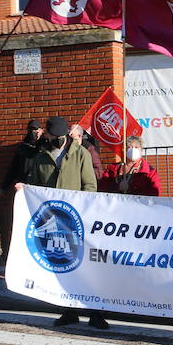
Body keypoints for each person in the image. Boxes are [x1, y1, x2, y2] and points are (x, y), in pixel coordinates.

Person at [23, 116, 103, 328]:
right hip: (53, 219)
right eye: (52, 136)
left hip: (76, 219)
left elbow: (90, 186)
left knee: (85, 267)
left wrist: (83, 212)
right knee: (64, 266)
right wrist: (25, 191)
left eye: (59, 136)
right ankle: (69, 310)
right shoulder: (41, 157)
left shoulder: (81, 154)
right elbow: (35, 186)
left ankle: (94, 312)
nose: (55, 139)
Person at [2, 119, 45, 192]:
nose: (33, 132)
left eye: (35, 130)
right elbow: (14, 168)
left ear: (41, 130)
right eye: (31, 130)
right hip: (25, 185)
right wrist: (4, 187)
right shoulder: (22, 148)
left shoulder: (46, 146)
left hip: (40, 186)